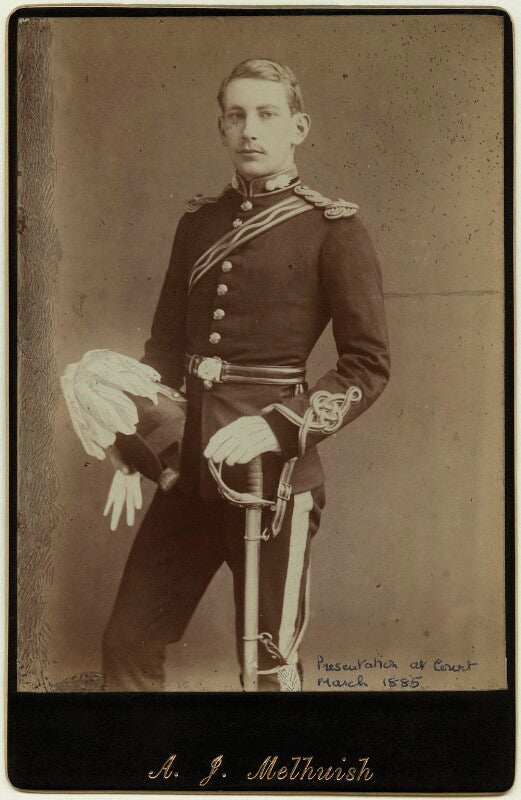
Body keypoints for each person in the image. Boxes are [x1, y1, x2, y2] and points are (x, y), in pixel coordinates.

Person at [101, 59, 390, 692]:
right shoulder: (197, 224)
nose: (250, 130)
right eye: (236, 116)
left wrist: (280, 428)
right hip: (189, 475)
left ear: (298, 127)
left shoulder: (334, 230)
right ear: (222, 128)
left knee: (268, 670)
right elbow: (163, 351)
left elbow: (367, 365)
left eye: (267, 114)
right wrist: (129, 437)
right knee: (126, 643)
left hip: (272, 483)